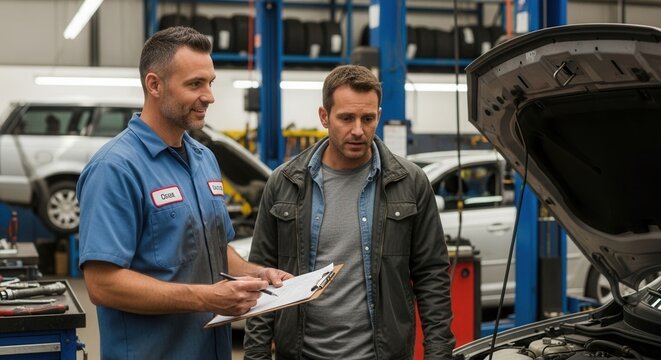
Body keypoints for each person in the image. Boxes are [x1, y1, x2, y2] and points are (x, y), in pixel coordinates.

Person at [77, 26, 291, 360]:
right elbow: (102, 284)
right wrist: (207, 298)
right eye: (195, 84)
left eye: (210, 82)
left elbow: (215, 250)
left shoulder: (204, 159)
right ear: (154, 85)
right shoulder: (115, 168)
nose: (209, 96)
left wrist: (256, 274)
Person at [244, 65, 455, 359]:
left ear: (378, 116)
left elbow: (431, 274)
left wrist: (439, 353)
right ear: (324, 116)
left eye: (368, 118)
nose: (358, 130)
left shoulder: (409, 182)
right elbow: (262, 278)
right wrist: (256, 354)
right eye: (346, 118)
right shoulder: (284, 183)